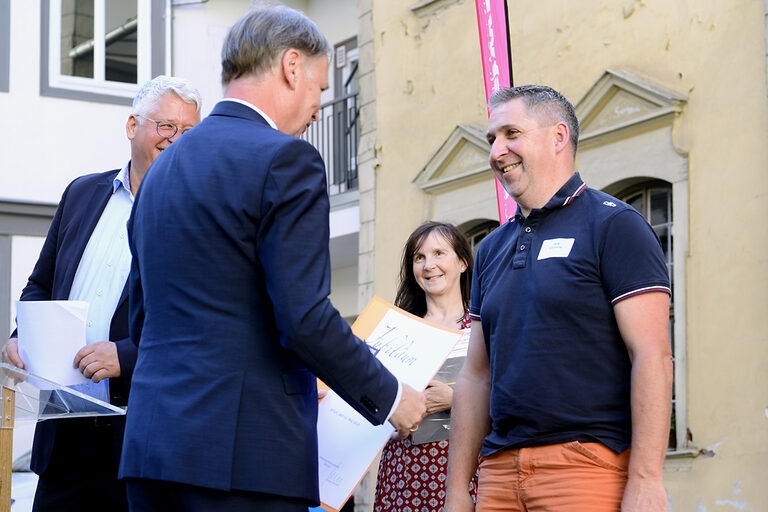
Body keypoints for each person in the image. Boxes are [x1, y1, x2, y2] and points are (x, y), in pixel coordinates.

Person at [119, 6, 425, 512]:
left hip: (152, 452)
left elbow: (143, 319)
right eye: (320, 89)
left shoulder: (160, 171)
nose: (317, 108)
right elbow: (303, 319)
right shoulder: (287, 159)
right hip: (245, 457)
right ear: (290, 67)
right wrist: (391, 397)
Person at [445, 85, 673, 512]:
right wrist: (458, 491)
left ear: (558, 136)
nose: (497, 151)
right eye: (491, 139)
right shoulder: (491, 248)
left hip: (585, 470)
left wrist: (646, 479)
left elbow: (653, 355)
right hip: (497, 474)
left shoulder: (614, 225)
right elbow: (476, 376)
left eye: (511, 133)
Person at [1, 75, 202, 511]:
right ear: (133, 126)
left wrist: (124, 356)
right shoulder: (81, 194)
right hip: (63, 434)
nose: (177, 140)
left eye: (189, 132)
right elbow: (40, 285)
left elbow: (199, 326)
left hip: (137, 440)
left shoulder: (199, 217)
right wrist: (23, 337)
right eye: (166, 126)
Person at [374, 222, 478, 512]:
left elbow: (511, 396)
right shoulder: (395, 329)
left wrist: (456, 400)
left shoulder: (484, 325)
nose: (429, 265)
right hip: (404, 470)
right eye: (419, 257)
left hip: (467, 468)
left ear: (462, 262)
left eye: (438, 253)